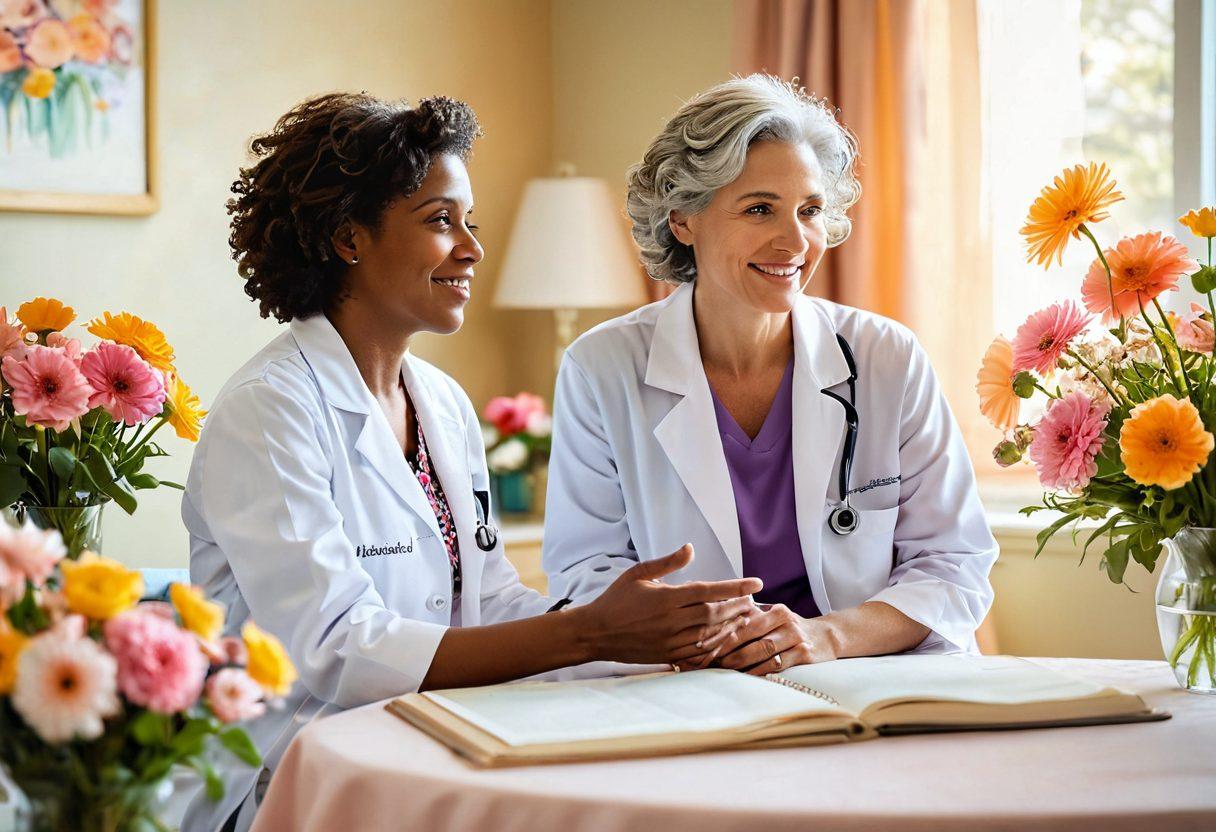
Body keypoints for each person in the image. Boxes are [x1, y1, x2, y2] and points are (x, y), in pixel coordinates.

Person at [182, 93, 760, 831]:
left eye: (469, 222)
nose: (472, 249)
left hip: (425, 747)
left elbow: (488, 598)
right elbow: (337, 649)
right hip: (294, 778)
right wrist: (592, 634)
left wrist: (648, 637)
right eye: (439, 221)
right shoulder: (269, 411)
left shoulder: (443, 403)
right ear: (349, 238)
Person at [542, 75, 997, 677]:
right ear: (683, 220)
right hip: (687, 685)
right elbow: (586, 573)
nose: (795, 241)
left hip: (872, 675)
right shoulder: (604, 367)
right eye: (760, 209)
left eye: (810, 211)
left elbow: (953, 563)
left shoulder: (886, 356)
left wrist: (826, 637)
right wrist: (715, 642)